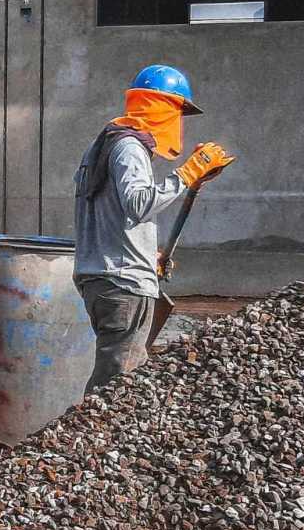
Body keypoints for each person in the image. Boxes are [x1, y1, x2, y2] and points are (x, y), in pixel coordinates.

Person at [73, 64, 234, 393]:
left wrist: (147, 254)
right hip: (124, 285)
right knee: (117, 386)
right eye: (178, 112)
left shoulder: (103, 146)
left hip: (103, 277)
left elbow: (111, 215)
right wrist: (187, 174)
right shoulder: (129, 149)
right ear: (163, 107)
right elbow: (138, 203)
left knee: (125, 374)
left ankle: (98, 436)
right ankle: (89, 441)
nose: (178, 124)